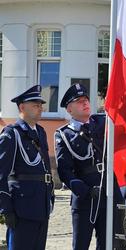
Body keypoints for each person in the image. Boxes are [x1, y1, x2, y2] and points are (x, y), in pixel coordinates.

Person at [54, 84, 124, 250]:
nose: (85, 103)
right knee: (81, 244)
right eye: (79, 101)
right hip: (86, 198)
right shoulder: (64, 134)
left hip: (110, 194)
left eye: (86, 99)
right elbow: (64, 170)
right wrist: (83, 189)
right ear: (69, 109)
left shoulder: (103, 122)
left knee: (109, 244)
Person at [0, 85, 54, 250]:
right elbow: (1, 174)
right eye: (35, 105)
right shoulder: (11, 134)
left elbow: (45, 168)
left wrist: (50, 196)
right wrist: (5, 209)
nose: (40, 109)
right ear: (22, 107)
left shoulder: (41, 132)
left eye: (41, 105)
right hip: (21, 208)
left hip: (41, 205)